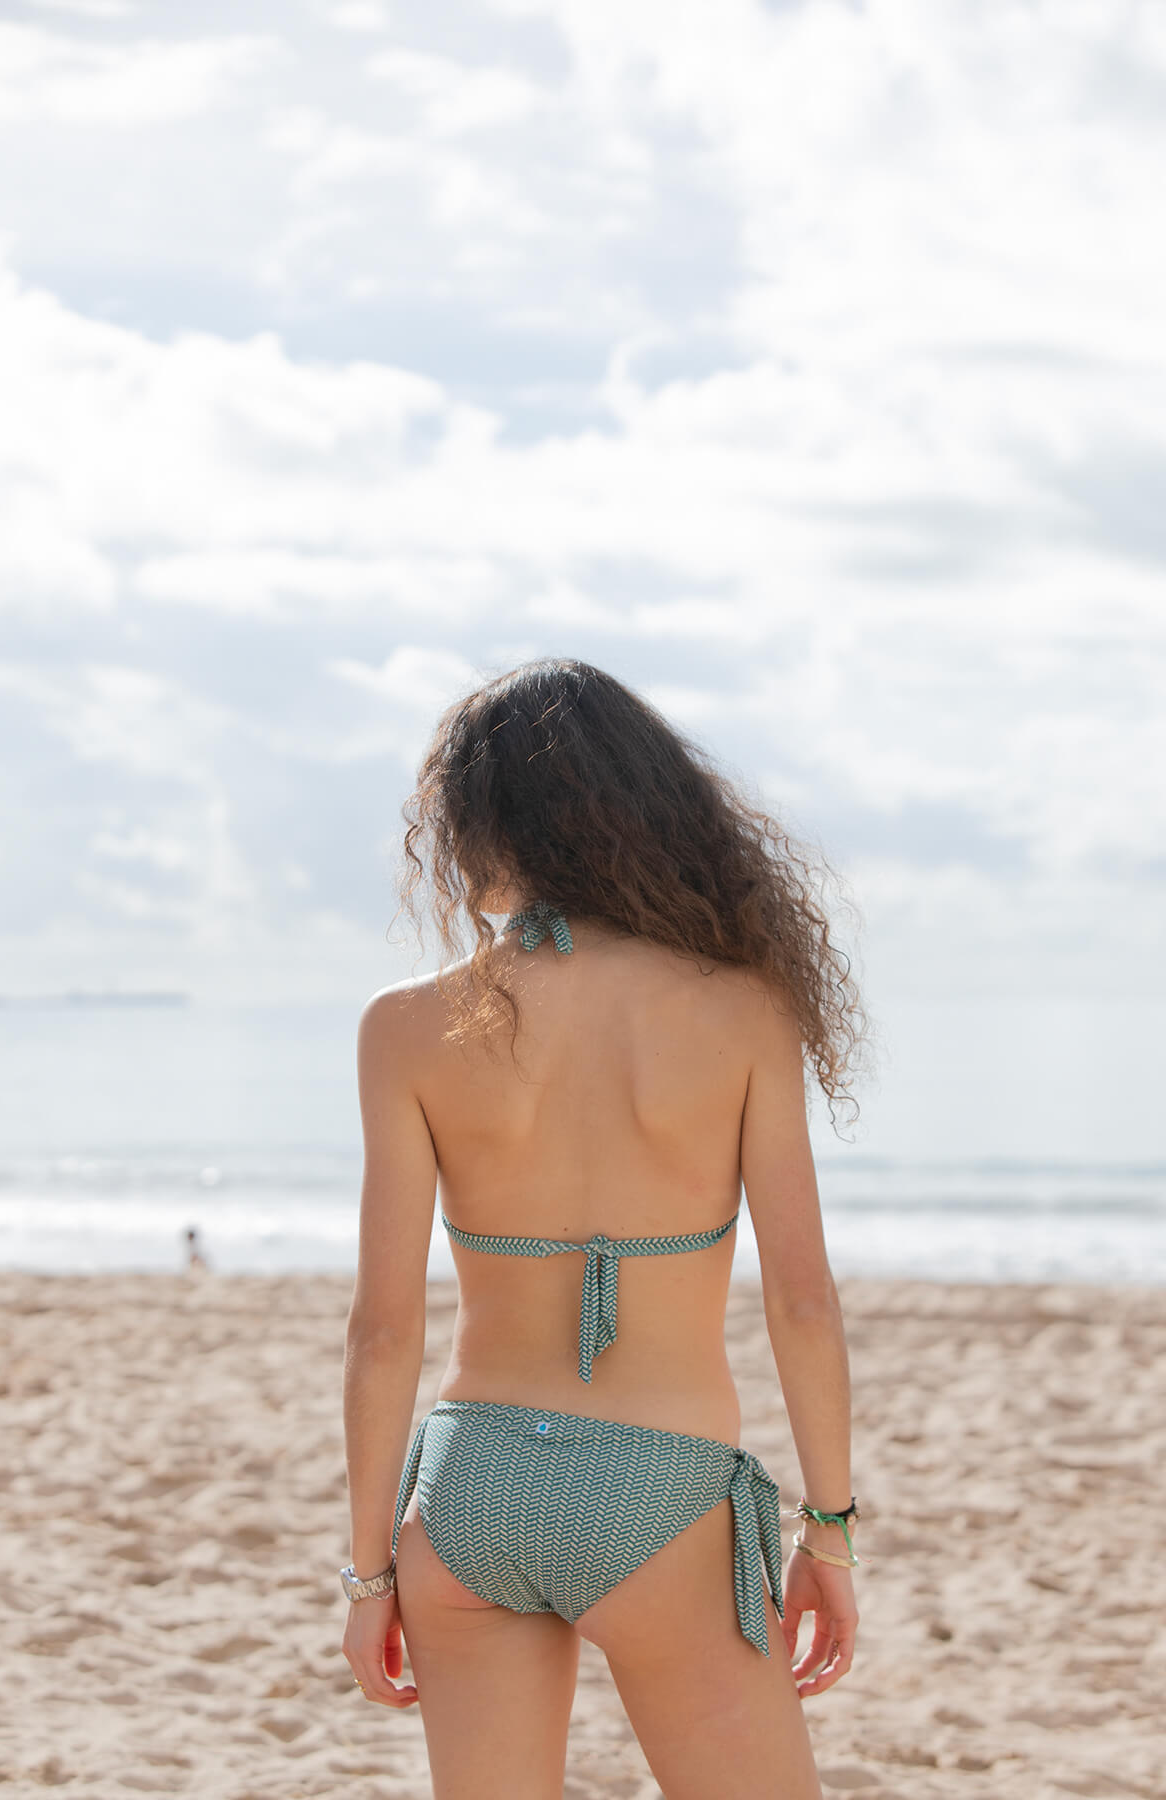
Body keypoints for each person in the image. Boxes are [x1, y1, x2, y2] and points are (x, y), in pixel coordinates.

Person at [340, 658, 869, 1799]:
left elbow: (381, 1331)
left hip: (470, 1487)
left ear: (478, 823)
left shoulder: (405, 1028)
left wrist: (370, 1574)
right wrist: (828, 1529)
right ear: (647, 809)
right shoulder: (743, 1007)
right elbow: (802, 1302)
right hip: (663, 1495)